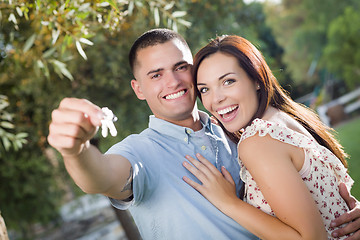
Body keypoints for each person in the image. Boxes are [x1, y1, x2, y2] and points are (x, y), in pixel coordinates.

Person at [47, 29, 360, 240]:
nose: (172, 81)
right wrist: (76, 151)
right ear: (138, 89)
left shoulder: (236, 129)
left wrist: (340, 210)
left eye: (180, 67)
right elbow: (100, 177)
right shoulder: (140, 151)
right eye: (156, 75)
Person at [182, 34, 358, 239]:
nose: (216, 99)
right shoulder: (284, 119)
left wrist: (228, 203)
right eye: (205, 89)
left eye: (228, 81)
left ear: (256, 79)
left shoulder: (258, 141)